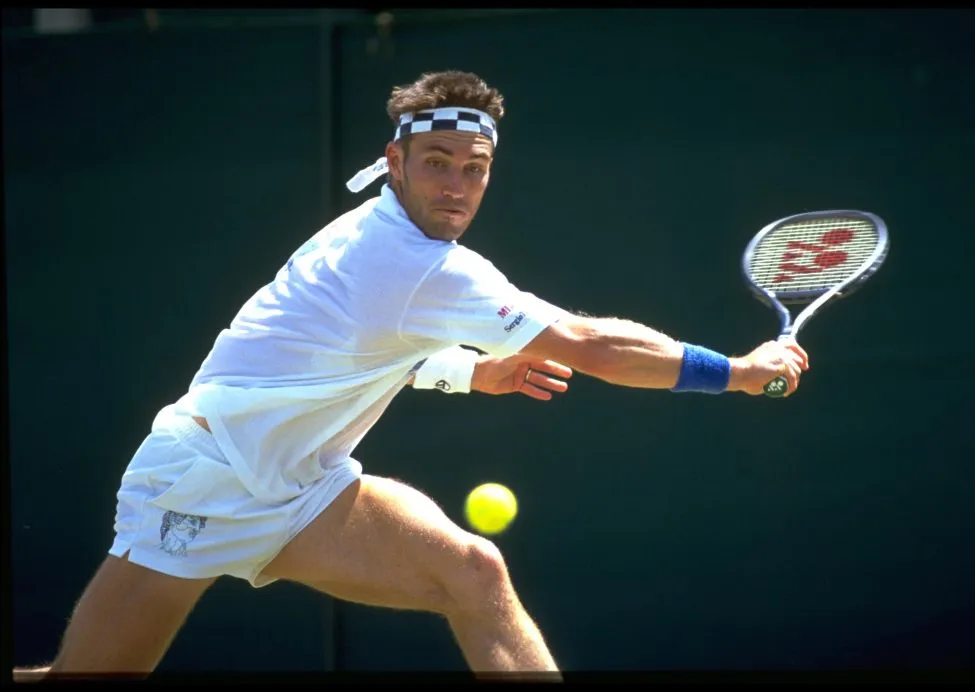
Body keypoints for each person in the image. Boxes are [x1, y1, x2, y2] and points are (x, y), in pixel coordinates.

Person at [13, 69, 808, 680]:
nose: (456, 187)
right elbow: (588, 344)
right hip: (200, 479)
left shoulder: (384, 236)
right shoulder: (416, 264)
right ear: (394, 161)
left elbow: (357, 349)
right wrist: (740, 372)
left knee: (474, 572)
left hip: (301, 488)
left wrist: (473, 376)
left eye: (474, 168)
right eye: (437, 163)